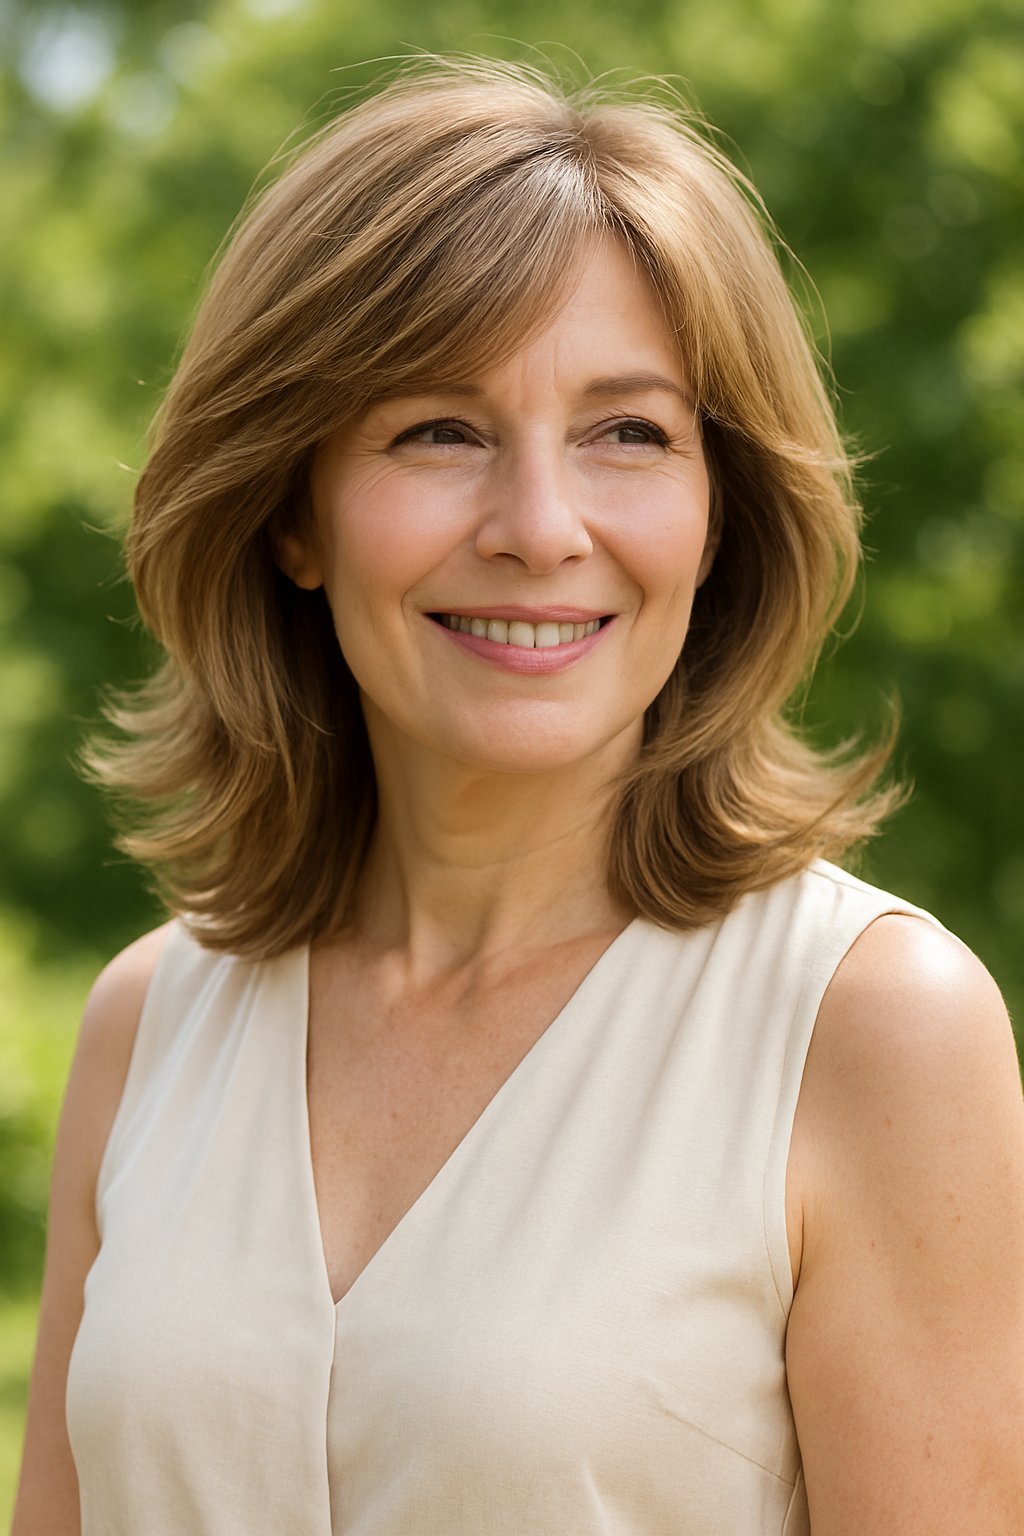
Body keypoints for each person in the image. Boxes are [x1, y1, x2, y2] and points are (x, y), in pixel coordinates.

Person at [11, 57, 1024, 1536]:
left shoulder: (872, 1028)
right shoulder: (146, 1027)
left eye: (630, 434)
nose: (543, 529)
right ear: (292, 509)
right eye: (440, 430)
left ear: (718, 512)